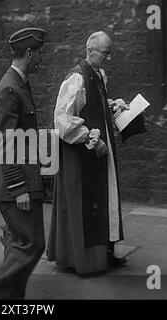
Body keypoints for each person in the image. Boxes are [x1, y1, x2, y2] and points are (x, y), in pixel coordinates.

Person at [47, 31, 128, 275]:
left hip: (101, 150)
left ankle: (106, 251)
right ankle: (84, 259)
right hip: (82, 155)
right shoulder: (76, 78)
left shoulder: (98, 75)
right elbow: (63, 120)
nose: (109, 58)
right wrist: (89, 138)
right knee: (87, 202)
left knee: (107, 196)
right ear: (90, 50)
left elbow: (93, 105)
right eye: (105, 53)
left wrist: (113, 107)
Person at [0, 27, 46, 300]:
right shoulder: (9, 89)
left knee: (18, 242)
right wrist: (19, 189)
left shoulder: (18, 83)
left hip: (23, 180)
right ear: (29, 53)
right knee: (31, 244)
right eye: (39, 53)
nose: (41, 59)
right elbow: (4, 144)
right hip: (14, 184)